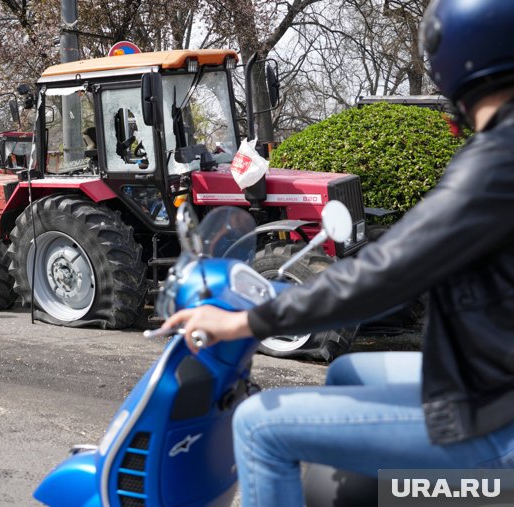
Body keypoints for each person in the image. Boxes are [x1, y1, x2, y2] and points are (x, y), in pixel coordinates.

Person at [160, 0, 514, 505]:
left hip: (493, 421)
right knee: (347, 371)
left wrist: (247, 322)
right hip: (490, 377)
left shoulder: (497, 161)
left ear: (453, 62)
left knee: (260, 426)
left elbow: (387, 271)